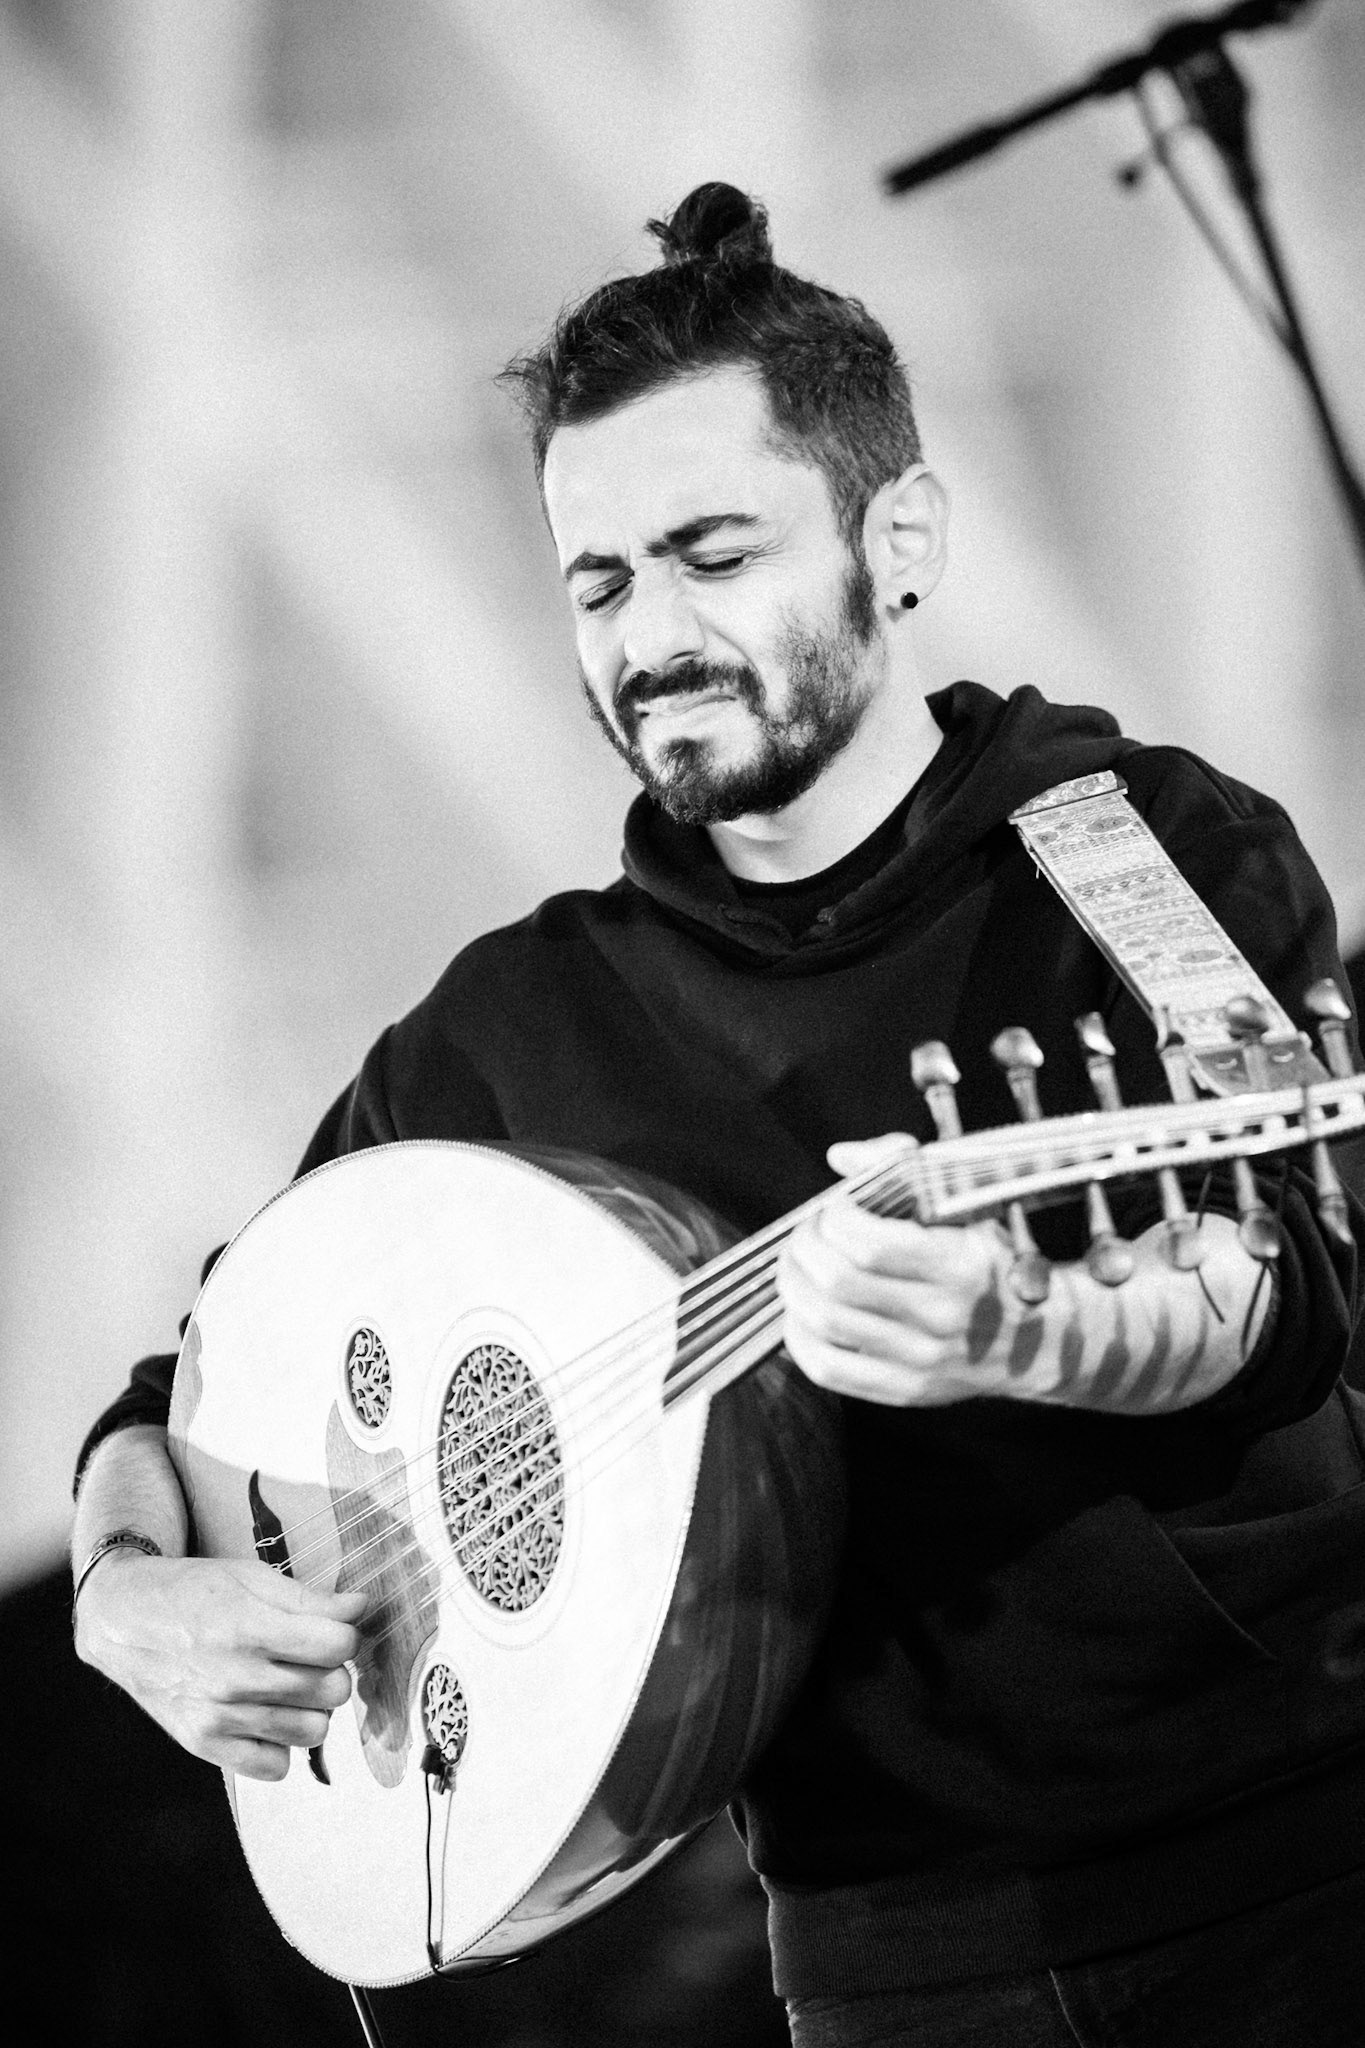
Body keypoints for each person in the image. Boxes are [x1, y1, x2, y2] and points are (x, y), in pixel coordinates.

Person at [72, 183, 1365, 2047]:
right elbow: (181, 1393)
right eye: (597, 582)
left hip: (1296, 1850)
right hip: (884, 1954)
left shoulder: (1138, 855)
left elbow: (1288, 1282)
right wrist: (127, 1599)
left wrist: (1047, 1333)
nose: (650, 632)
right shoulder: (514, 1029)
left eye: (710, 552)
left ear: (894, 537)